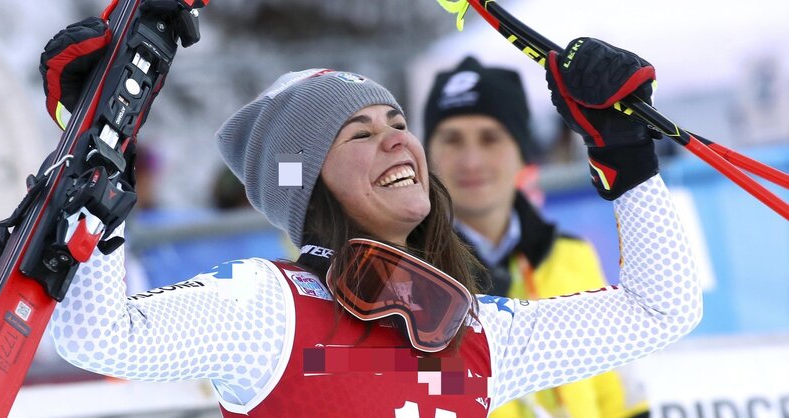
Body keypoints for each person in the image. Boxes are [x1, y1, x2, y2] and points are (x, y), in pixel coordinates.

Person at [43, 11, 701, 417]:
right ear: (309, 186)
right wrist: (101, 167)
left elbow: (661, 308)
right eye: (357, 135)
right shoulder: (266, 310)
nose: (396, 140)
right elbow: (102, 339)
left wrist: (624, 158)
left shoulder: (479, 333)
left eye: (395, 121)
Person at [423, 56, 650, 418]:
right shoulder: (405, 276)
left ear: (521, 153)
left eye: (490, 138)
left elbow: (620, 399)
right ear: (427, 157)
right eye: (451, 140)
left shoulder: (572, 257)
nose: (471, 161)